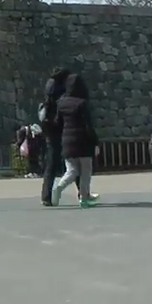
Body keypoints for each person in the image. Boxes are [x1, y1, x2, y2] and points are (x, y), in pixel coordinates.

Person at [50, 75, 99, 208]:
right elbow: (88, 125)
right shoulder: (82, 103)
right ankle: (84, 198)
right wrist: (95, 142)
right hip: (83, 141)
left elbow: (57, 123)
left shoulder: (61, 103)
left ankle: (59, 187)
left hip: (67, 141)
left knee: (71, 170)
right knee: (85, 172)